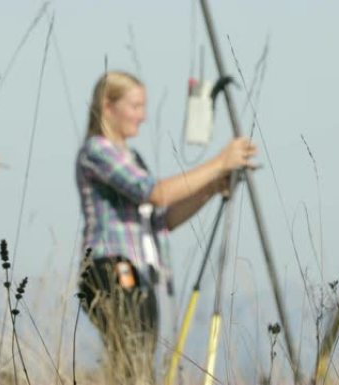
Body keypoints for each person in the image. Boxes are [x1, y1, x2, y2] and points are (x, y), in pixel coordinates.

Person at [75, 71, 256, 384]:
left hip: (142, 271)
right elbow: (157, 193)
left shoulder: (132, 157)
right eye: (135, 106)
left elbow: (162, 220)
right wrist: (219, 162)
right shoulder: (97, 152)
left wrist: (210, 188)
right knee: (132, 363)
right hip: (111, 267)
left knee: (139, 365)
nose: (142, 116)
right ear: (108, 105)